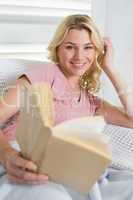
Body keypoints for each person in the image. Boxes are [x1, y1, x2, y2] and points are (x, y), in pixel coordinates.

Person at [0, 14, 133, 200]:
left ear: (97, 52)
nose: (79, 56)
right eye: (70, 47)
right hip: (25, 163)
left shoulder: (91, 102)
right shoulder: (43, 75)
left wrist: (110, 67)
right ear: (58, 49)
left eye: (88, 47)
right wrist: (7, 155)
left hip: (70, 170)